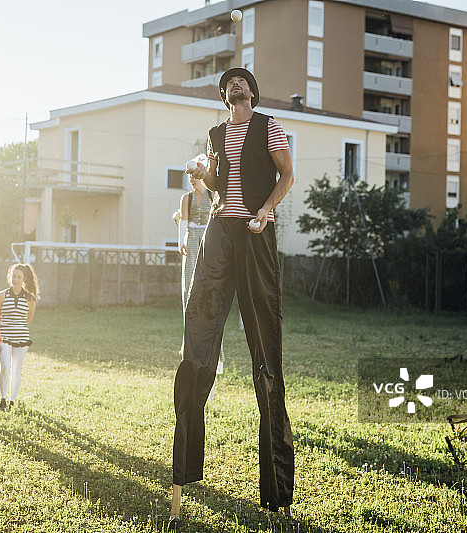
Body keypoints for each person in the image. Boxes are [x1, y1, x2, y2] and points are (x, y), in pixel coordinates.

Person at [169, 68, 295, 528]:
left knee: (265, 352)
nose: (235, 85)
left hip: (256, 232)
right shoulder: (216, 133)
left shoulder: (268, 126)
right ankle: (186, 471)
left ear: (251, 92)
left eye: (241, 81)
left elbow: (287, 174)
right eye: (229, 83)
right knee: (198, 336)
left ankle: (277, 489)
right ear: (224, 95)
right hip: (221, 231)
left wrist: (266, 209)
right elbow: (220, 185)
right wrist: (204, 174)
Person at [177, 175, 224, 388]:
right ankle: (188, 344)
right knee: (189, 290)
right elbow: (184, 224)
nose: (193, 181)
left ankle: (215, 352)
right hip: (193, 243)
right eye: (190, 177)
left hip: (209, 243)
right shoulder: (186, 198)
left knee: (209, 292)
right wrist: (182, 242)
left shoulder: (212, 195)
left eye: (196, 177)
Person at [0, 263, 40, 411]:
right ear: (9, 277)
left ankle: (12, 401)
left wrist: (17, 326)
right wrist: (9, 326)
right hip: (4, 337)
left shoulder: (30, 298)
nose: (16, 279)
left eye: (19, 277)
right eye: (13, 276)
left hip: (22, 338)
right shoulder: (1, 295)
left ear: (24, 279)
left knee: (16, 369)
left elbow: (29, 318)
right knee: (5, 367)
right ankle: (3, 400)